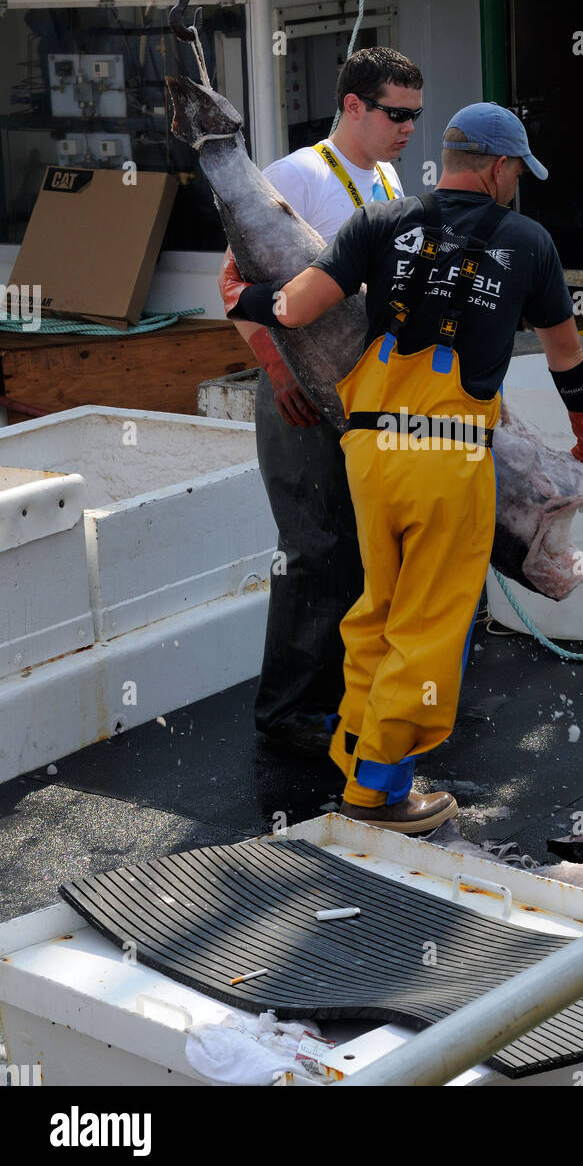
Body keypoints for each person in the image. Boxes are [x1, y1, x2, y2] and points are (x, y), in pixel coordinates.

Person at [224, 102, 583, 832]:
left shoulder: (380, 221)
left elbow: (297, 307)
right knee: (429, 625)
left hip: (370, 451)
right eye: (517, 171)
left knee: (376, 608)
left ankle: (354, 752)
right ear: (499, 167)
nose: (516, 184)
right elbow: (567, 358)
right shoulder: (527, 242)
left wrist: (239, 297)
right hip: (445, 456)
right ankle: (379, 792)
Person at [220, 47, 423, 756]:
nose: (406, 129)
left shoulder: (388, 176)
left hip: (360, 395)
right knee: (312, 548)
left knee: (362, 548)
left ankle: (341, 697)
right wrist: (278, 374)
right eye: (395, 114)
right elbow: (232, 288)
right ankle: (285, 714)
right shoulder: (295, 176)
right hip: (298, 393)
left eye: (414, 117)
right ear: (353, 106)